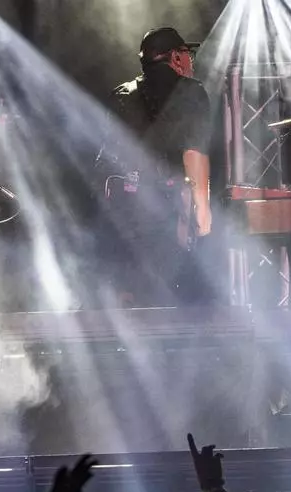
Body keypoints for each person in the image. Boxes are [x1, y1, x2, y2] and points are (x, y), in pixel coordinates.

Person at [99, 27, 214, 306]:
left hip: (127, 205)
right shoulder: (192, 92)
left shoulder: (121, 94)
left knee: (135, 290)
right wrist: (203, 208)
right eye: (187, 54)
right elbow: (193, 152)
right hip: (171, 204)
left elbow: (106, 159)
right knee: (176, 290)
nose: (191, 61)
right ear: (175, 58)